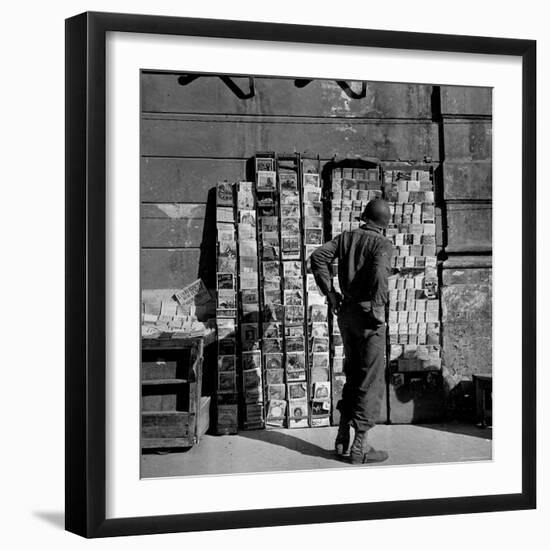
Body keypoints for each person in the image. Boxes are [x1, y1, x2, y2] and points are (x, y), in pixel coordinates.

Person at [310, 198, 393, 465]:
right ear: (384, 224)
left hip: (347, 314)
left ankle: (342, 436)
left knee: (353, 371)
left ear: (364, 217)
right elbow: (380, 273)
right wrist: (378, 308)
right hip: (369, 316)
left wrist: (331, 294)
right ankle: (360, 446)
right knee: (370, 377)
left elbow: (318, 257)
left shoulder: (346, 238)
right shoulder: (383, 244)